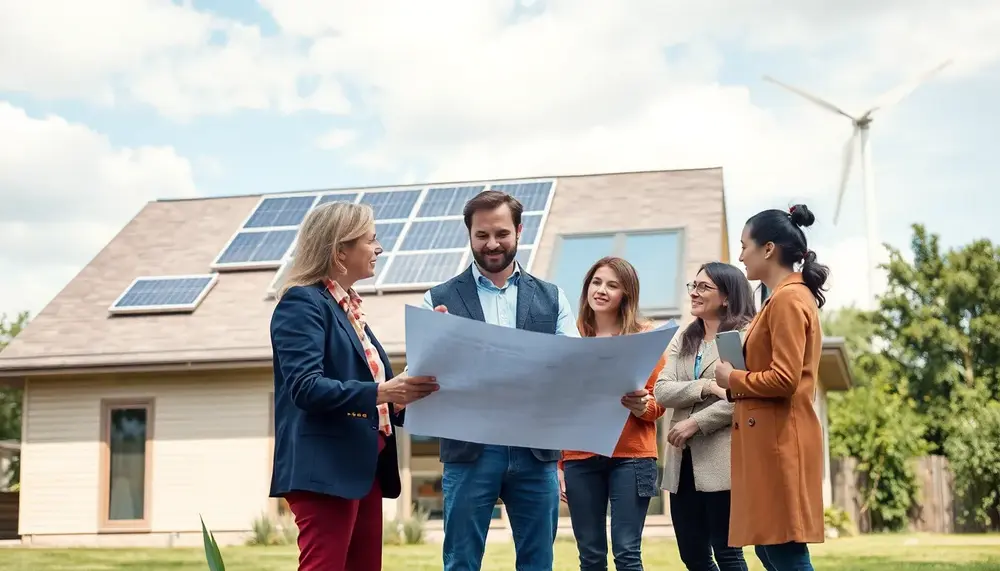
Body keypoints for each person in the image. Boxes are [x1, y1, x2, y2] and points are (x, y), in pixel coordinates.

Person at [269, 201, 441, 571]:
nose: (379, 248)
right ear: (339, 251)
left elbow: (376, 389)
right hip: (326, 470)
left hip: (365, 466)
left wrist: (433, 352)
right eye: (371, 240)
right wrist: (384, 392)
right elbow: (306, 388)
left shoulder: (349, 310)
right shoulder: (302, 303)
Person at [421, 190, 578, 571]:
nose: (492, 244)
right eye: (482, 235)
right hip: (469, 450)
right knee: (461, 560)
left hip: (536, 451)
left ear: (519, 231)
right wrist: (438, 344)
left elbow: (571, 368)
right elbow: (425, 378)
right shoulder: (437, 300)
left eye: (501, 233)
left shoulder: (552, 298)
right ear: (469, 235)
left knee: (538, 561)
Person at [714, 204, 830, 571]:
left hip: (782, 442)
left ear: (768, 249)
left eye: (745, 245)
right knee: (769, 548)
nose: (740, 255)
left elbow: (785, 379)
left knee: (784, 550)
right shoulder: (777, 300)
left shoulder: (788, 299)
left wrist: (731, 378)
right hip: (769, 440)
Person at [559, 256, 667, 571]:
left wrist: (644, 406)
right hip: (580, 458)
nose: (601, 290)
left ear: (626, 294)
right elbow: (558, 405)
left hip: (632, 458)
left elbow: (659, 400)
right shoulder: (569, 336)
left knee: (627, 554)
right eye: (596, 282)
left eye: (612, 285)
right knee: (590, 557)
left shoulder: (646, 336)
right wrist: (560, 464)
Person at [653, 262, 756, 571]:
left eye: (703, 287)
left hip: (723, 461)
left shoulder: (744, 335)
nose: (694, 293)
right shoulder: (685, 338)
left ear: (726, 296)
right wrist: (708, 386)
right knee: (693, 557)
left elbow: (743, 397)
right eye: (692, 286)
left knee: (728, 555)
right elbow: (661, 390)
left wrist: (696, 422)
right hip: (681, 465)